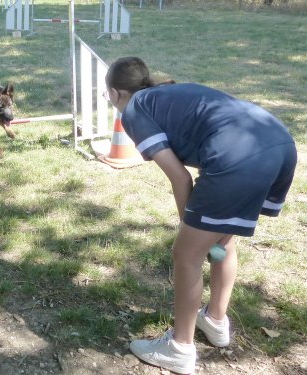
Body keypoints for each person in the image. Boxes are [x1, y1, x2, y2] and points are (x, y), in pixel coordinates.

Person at [105, 57, 297, 374]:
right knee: (222, 241)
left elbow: (180, 178)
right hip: (278, 144)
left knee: (187, 255)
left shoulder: (135, 109)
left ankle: (179, 347)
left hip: (240, 156)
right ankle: (215, 321)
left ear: (114, 93)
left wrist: (189, 229)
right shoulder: (166, 94)